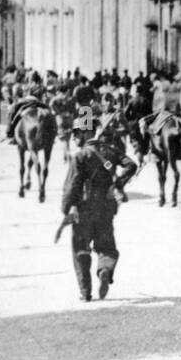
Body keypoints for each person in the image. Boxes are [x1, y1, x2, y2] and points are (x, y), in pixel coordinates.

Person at [60, 114, 138, 303]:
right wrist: (118, 184)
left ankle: (85, 291)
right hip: (105, 208)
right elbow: (131, 165)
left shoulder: (80, 156)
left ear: (86, 132)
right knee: (107, 247)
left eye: (77, 133)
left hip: (84, 209)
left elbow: (73, 186)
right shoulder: (110, 150)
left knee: (81, 249)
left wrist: (66, 208)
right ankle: (104, 270)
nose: (74, 138)